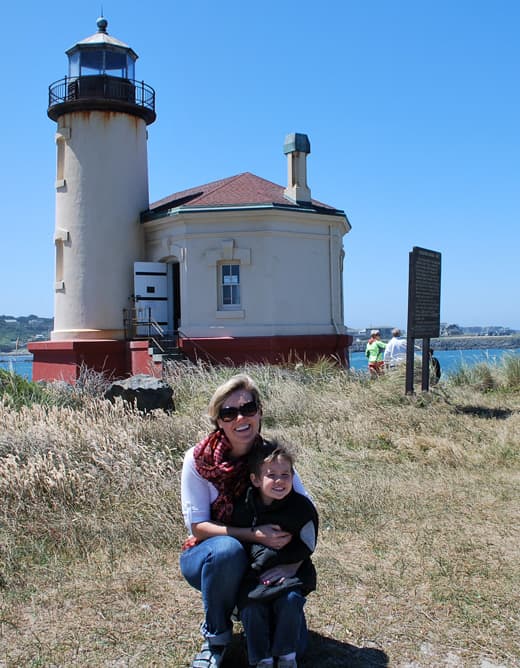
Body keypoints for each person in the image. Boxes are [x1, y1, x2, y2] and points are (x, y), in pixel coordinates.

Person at [180, 374, 311, 668]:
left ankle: (255, 604)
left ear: (260, 412)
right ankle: (216, 639)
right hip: (211, 557)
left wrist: (292, 565)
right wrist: (255, 534)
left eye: (248, 408)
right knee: (228, 550)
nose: (240, 417)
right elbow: (198, 527)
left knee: (297, 649)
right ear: (219, 421)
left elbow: (306, 512)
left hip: (263, 562)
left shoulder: (271, 461)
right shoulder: (199, 460)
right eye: (229, 412)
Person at [232, 441, 318, 668]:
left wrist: (292, 564)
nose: (280, 481)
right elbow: (235, 541)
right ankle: (262, 659)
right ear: (256, 479)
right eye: (272, 475)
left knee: (290, 600)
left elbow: (309, 541)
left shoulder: (301, 508)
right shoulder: (244, 507)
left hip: (288, 572)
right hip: (254, 575)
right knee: (251, 607)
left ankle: (287, 656)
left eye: (285, 474)